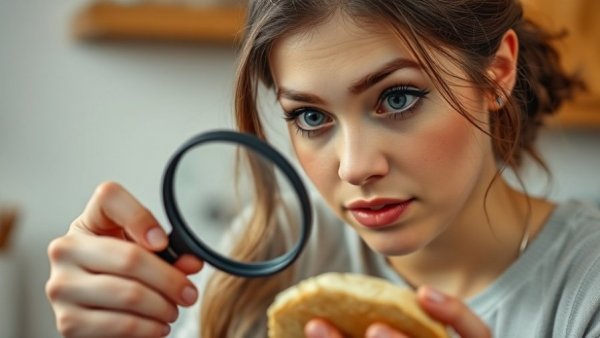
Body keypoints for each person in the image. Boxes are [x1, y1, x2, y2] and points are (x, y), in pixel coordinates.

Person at [46, 0, 600, 337]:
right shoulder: (271, 248)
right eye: (311, 116)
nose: (356, 168)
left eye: (398, 98)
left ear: (496, 73)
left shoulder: (585, 290)